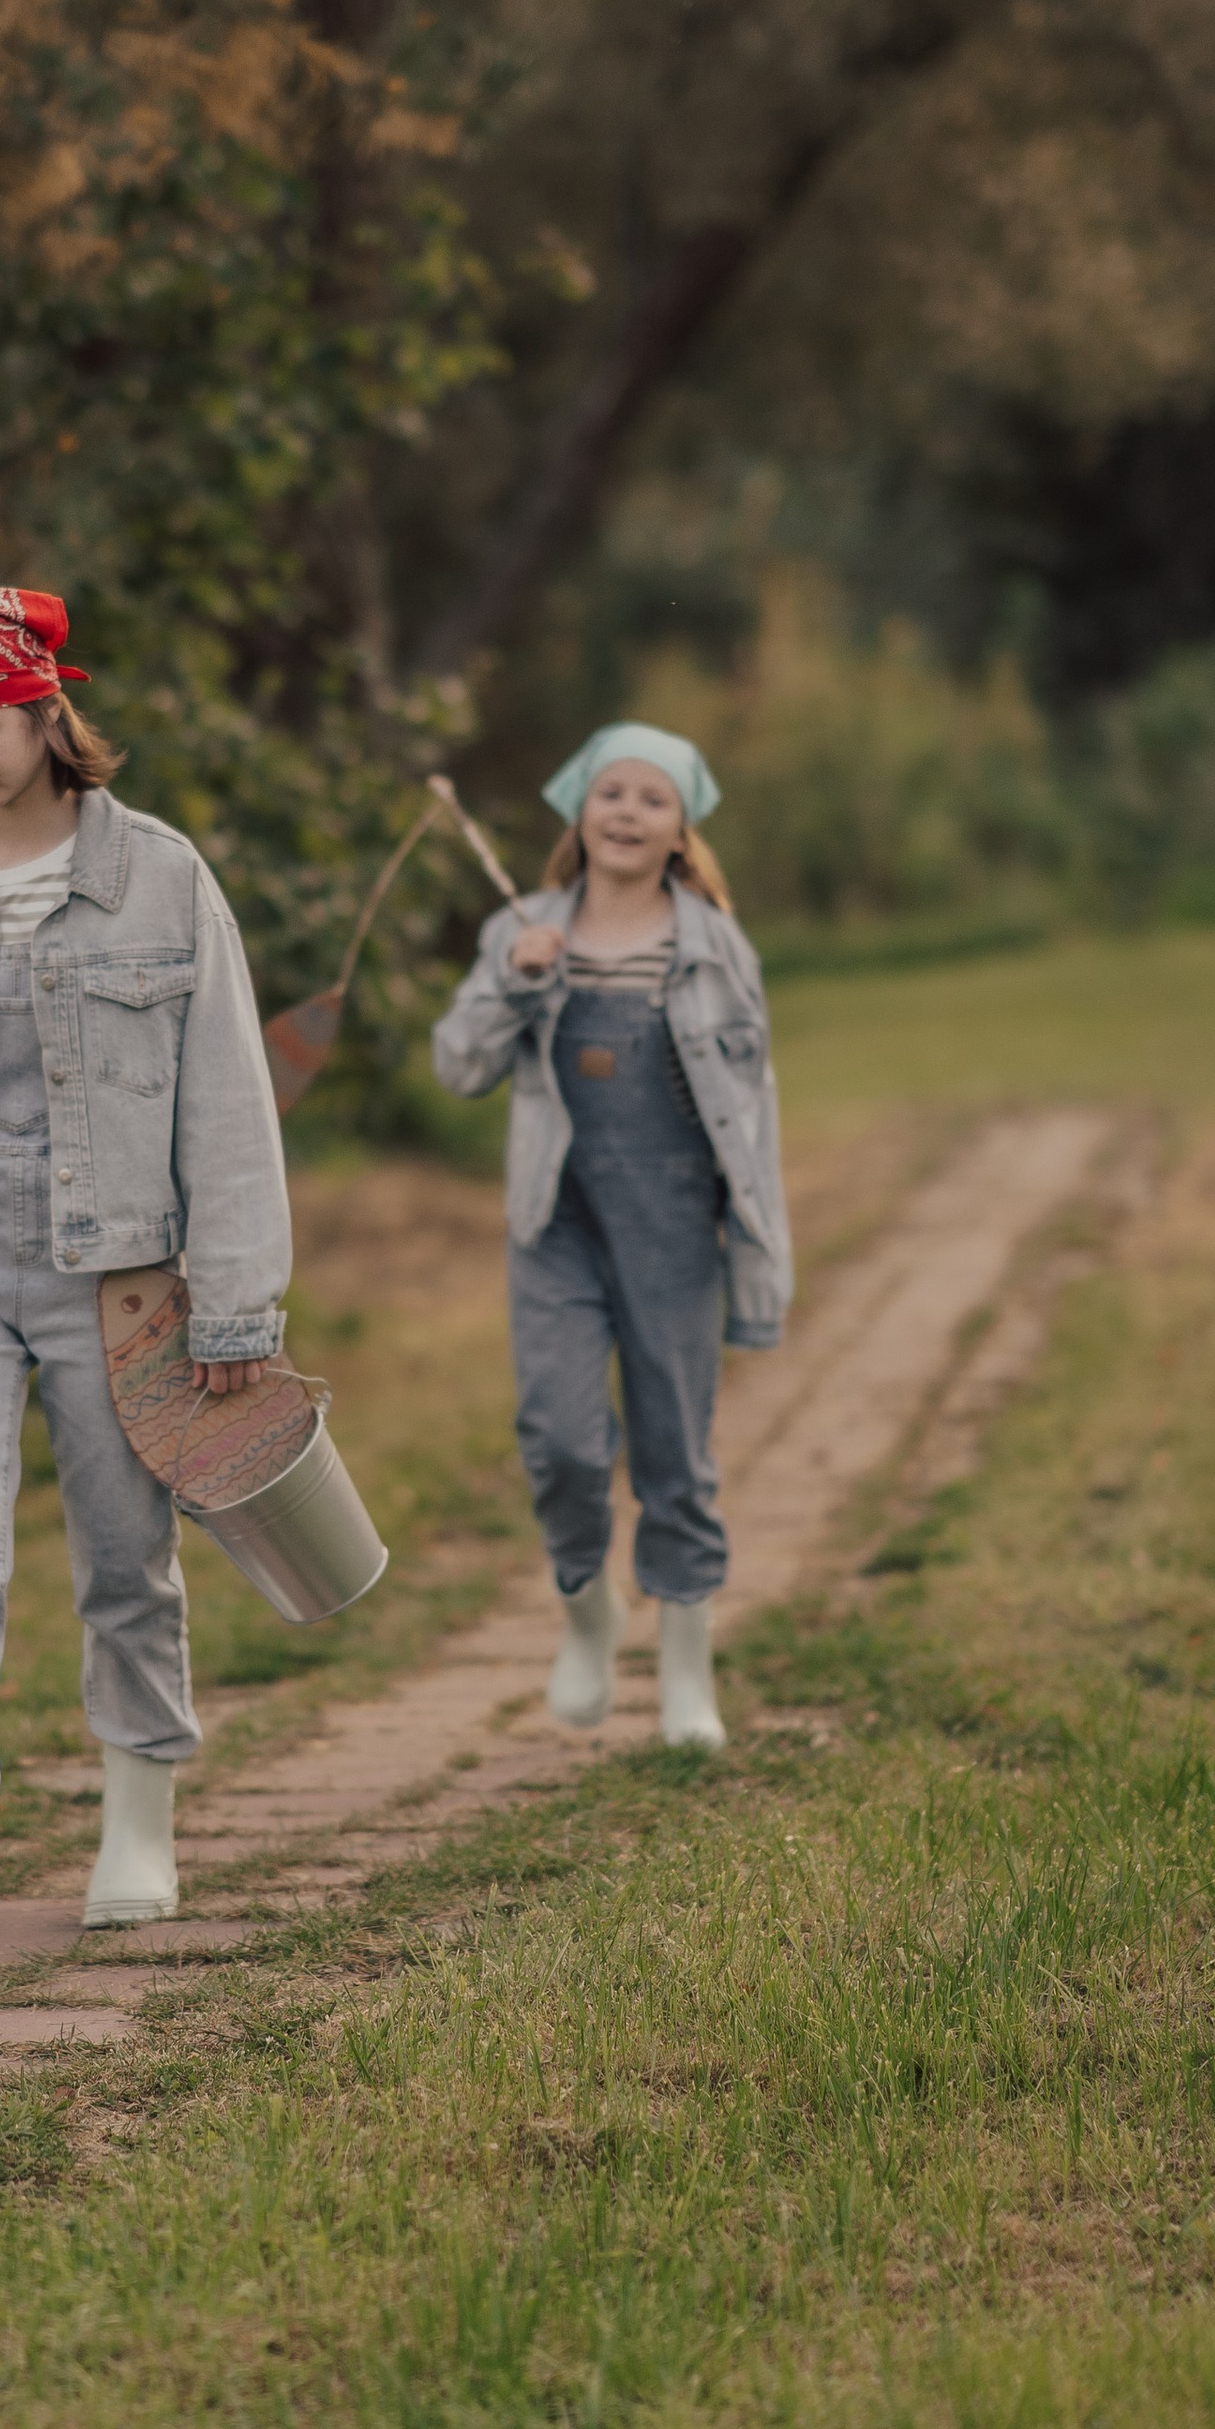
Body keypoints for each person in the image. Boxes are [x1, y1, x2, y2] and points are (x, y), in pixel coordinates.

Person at [0, 584, 290, 1971]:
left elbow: (228, 1102)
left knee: (122, 1558)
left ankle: (138, 1822)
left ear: (44, 712)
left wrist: (236, 1307)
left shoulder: (163, 875)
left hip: (118, 1277)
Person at [430, 722, 791, 1751]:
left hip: (673, 1221)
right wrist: (515, 979)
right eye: (612, 793)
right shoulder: (523, 928)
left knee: (675, 1449)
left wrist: (760, 1257)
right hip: (556, 1221)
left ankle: (686, 1668)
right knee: (560, 1441)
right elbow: (457, 1066)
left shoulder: (713, 946)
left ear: (682, 830)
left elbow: (753, 1114)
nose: (628, 812)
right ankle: (588, 1609)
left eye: (653, 798)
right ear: (578, 810)